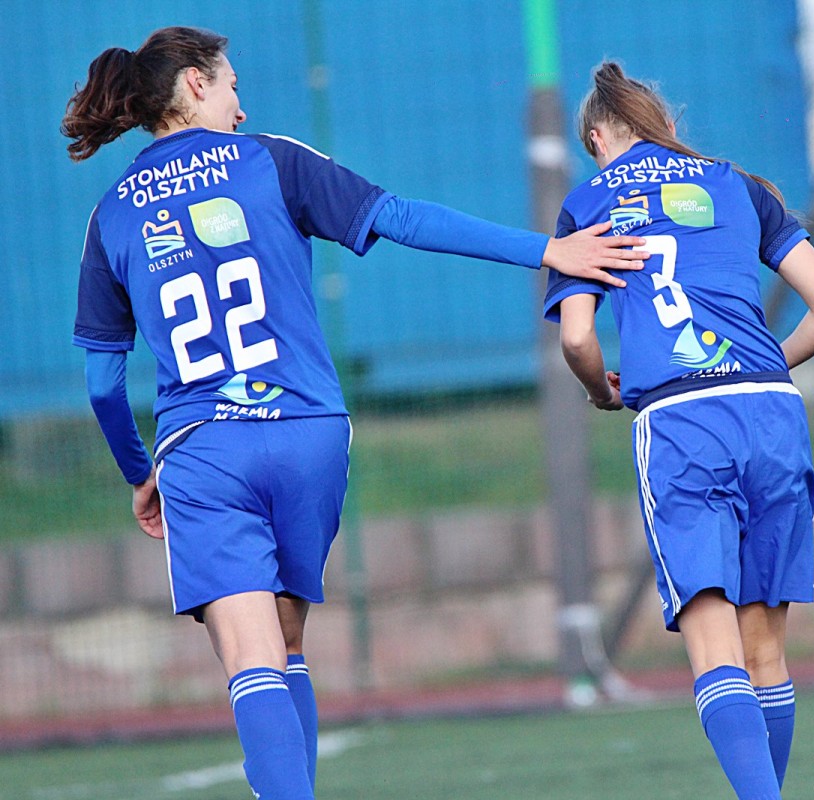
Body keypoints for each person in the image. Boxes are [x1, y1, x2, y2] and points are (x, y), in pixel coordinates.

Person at [63, 27, 647, 800]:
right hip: (309, 435)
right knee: (288, 642)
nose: (241, 107)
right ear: (196, 84)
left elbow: (104, 383)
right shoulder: (273, 160)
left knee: (250, 661)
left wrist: (140, 472)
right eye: (233, 85)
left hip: (204, 449)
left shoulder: (110, 214)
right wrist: (547, 250)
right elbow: (400, 217)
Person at [544, 62, 814, 799]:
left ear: (597, 139)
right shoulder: (738, 185)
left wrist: (600, 392)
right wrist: (761, 365)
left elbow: (579, 340)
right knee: (765, 652)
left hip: (683, 421)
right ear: (663, 126)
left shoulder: (589, 201)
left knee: (715, 650)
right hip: (770, 410)